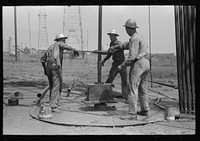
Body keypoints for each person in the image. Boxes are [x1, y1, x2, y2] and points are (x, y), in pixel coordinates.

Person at [109, 19, 150, 120]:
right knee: (142, 88)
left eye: (126, 29)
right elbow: (125, 45)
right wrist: (115, 47)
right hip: (146, 63)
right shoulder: (137, 37)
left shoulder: (134, 39)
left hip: (138, 64)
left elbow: (132, 57)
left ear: (129, 29)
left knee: (133, 88)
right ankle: (145, 110)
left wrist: (122, 66)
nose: (126, 31)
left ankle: (132, 113)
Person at [40, 33, 79, 112]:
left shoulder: (50, 47)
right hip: (55, 67)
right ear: (61, 39)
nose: (64, 41)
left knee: (52, 86)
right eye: (64, 39)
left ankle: (52, 102)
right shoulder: (59, 43)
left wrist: (45, 69)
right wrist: (74, 50)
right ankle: (53, 105)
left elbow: (42, 59)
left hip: (48, 67)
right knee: (57, 85)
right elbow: (65, 46)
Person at [99, 29, 129, 101]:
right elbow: (110, 54)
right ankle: (105, 95)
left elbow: (112, 50)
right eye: (110, 36)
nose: (110, 37)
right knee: (109, 79)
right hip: (115, 64)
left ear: (116, 36)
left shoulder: (119, 43)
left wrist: (105, 51)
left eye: (112, 36)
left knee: (124, 81)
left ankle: (126, 98)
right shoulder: (111, 44)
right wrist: (104, 60)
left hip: (122, 63)